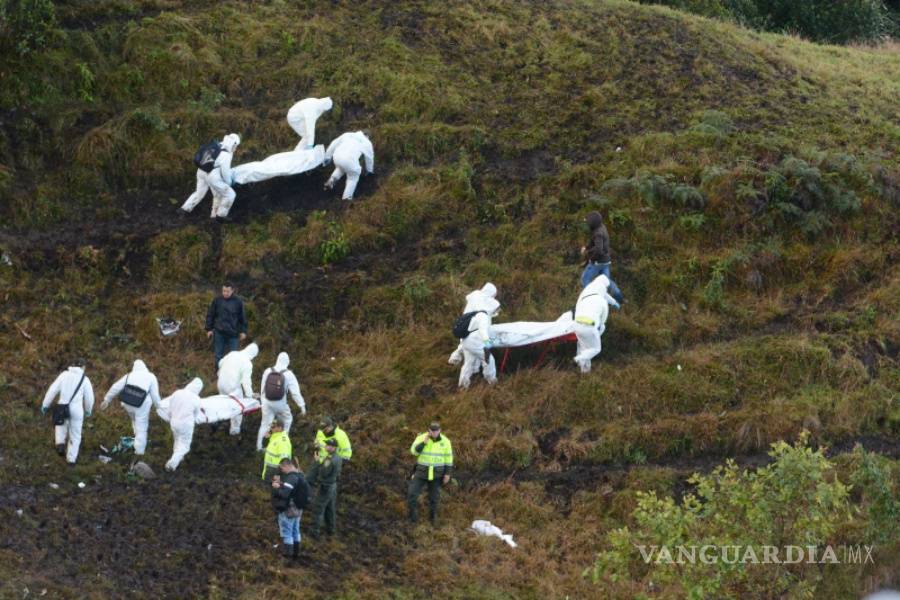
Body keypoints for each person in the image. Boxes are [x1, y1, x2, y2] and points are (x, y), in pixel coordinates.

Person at [100, 359, 163, 456]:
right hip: (141, 405)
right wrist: (160, 407)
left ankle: (135, 434)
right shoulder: (151, 377)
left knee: (134, 419)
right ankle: (139, 451)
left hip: (128, 403)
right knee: (142, 426)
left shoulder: (129, 376)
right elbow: (155, 395)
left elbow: (115, 387)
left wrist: (107, 399)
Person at [41, 359, 95, 465]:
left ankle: (60, 444)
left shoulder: (64, 375)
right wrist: (88, 410)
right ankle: (71, 459)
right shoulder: (85, 379)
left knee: (60, 425)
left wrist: (45, 405)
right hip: (77, 409)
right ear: (83, 367)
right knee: (75, 434)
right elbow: (89, 398)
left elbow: (53, 390)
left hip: (63, 406)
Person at [179, 133, 241, 222]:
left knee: (199, 193)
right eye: (236, 146)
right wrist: (229, 183)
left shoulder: (217, 144)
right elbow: (225, 171)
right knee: (227, 194)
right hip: (212, 175)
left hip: (201, 171)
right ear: (234, 144)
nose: (236, 148)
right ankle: (218, 217)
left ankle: (184, 209)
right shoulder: (227, 154)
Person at [257, 352, 306, 452]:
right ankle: (282, 441)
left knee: (265, 424)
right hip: (280, 404)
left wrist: (263, 403)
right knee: (287, 419)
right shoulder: (289, 374)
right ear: (287, 362)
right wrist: (302, 406)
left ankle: (260, 447)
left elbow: (262, 389)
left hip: (267, 402)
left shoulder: (267, 371)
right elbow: (295, 393)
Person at [407, 422, 453, 525]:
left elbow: (448, 458)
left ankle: (433, 518)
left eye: (436, 431)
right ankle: (412, 518)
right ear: (429, 430)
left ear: (440, 430)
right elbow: (413, 452)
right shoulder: (421, 437)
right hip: (421, 472)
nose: (434, 433)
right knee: (412, 493)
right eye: (432, 431)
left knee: (434, 498)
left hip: (437, 474)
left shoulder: (446, 441)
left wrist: (447, 474)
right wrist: (424, 443)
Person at [449, 282, 501, 365]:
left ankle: (455, 358)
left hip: (464, 321)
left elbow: (468, 298)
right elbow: (492, 309)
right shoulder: (486, 302)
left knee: (464, 341)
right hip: (474, 325)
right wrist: (488, 343)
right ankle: (483, 370)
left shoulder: (475, 294)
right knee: (471, 344)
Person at [580, 211, 624, 305]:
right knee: (607, 282)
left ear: (593, 224)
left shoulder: (598, 234)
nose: (587, 224)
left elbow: (598, 250)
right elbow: (594, 243)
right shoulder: (601, 227)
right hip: (606, 261)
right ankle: (619, 298)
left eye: (588, 222)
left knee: (584, 280)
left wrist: (589, 257)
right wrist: (587, 247)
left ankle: (590, 300)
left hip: (598, 262)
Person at [271, 458, 311, 559]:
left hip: (289, 510)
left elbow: (284, 493)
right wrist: (282, 484)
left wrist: (277, 488)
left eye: (282, 468)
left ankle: (287, 556)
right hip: (298, 509)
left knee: (287, 532)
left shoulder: (291, 478)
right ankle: (295, 554)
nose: (282, 471)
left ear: (287, 466)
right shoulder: (300, 475)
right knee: (295, 531)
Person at [217, 342, 259, 436]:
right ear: (253, 355)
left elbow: (220, 363)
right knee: (237, 408)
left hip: (221, 383)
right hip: (232, 387)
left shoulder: (233, 353)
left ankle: (219, 422)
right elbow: (246, 382)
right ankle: (234, 432)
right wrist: (250, 395)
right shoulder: (247, 363)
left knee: (222, 404)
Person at [573, 274, 611, 374]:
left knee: (585, 347)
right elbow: (603, 321)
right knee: (596, 349)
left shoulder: (586, 295)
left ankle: (584, 371)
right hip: (589, 326)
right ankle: (579, 358)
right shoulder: (602, 301)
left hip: (577, 325)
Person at [205, 283, 248, 372]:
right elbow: (211, 314)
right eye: (224, 291)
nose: (225, 293)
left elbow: (242, 317)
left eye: (227, 291)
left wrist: (243, 331)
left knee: (234, 356)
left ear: (232, 290)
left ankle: (232, 373)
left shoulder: (238, 301)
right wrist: (209, 329)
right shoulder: (217, 300)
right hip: (219, 332)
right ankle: (217, 373)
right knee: (218, 355)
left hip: (233, 334)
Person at [164, 378, 204, 472]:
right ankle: (172, 464)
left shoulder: (177, 393)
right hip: (186, 425)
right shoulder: (196, 399)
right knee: (185, 445)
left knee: (177, 440)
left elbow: (170, 407)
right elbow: (196, 414)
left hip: (174, 422)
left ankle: (178, 456)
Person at [306, 438, 342, 538]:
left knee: (318, 509)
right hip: (332, 486)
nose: (325, 447)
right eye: (326, 445)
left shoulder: (329, 459)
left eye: (328, 446)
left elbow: (324, 472)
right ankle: (331, 529)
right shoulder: (338, 458)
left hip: (325, 487)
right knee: (330, 509)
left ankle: (314, 531)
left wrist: (318, 462)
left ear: (334, 448)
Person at [323, 131, 374, 201]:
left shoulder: (348, 134)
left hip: (337, 157)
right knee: (353, 176)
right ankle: (346, 197)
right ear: (367, 136)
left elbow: (334, 144)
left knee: (341, 168)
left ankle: (331, 181)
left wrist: (327, 157)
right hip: (349, 160)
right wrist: (369, 170)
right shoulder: (367, 143)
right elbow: (369, 158)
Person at [457, 305, 497, 390]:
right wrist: (488, 344)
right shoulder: (484, 316)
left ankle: (463, 386)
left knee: (469, 363)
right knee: (489, 359)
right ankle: (491, 381)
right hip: (474, 343)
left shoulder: (475, 315)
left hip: (465, 341)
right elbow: (483, 331)